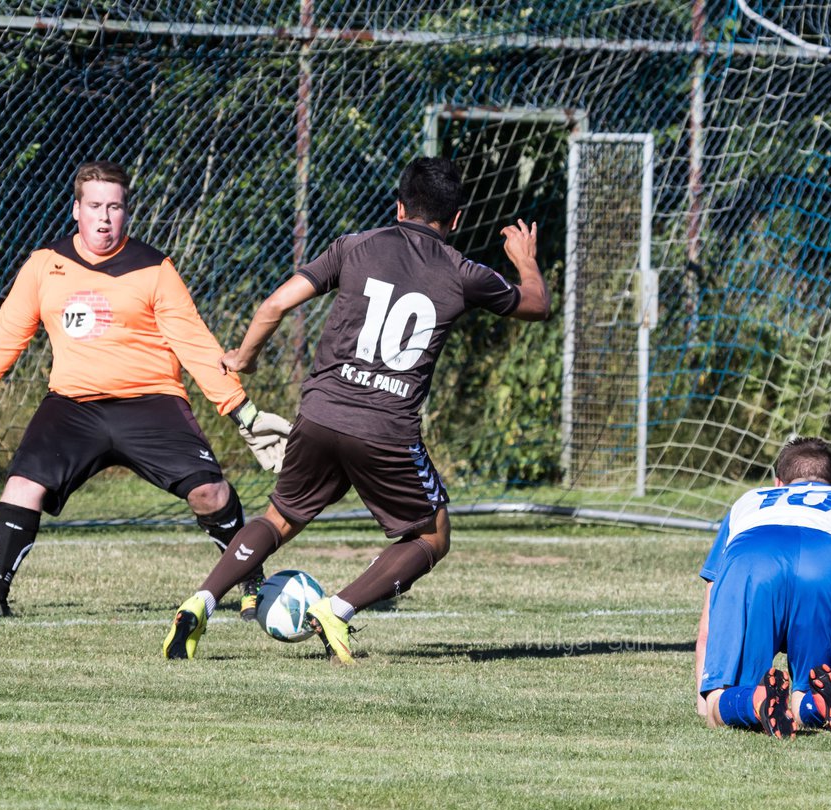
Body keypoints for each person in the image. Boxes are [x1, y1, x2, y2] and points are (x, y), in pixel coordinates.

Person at [162, 156, 552, 663]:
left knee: (279, 517)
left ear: (398, 207)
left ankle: (202, 600)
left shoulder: (355, 246)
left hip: (321, 414)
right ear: (456, 220)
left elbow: (276, 305)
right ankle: (338, 609)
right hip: (386, 429)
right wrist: (524, 258)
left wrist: (244, 358)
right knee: (433, 534)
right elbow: (537, 305)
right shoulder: (463, 272)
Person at [0, 160, 290, 621]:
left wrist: (243, 412)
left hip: (152, 403)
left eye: (115, 207)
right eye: (95, 206)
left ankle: (251, 580)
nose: (105, 218)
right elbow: (2, 339)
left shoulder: (154, 269)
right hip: (73, 406)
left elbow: (196, 346)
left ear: (126, 212)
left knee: (210, 493)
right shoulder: (46, 265)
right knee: (23, 486)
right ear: (76, 209)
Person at [694, 437, 831, 738]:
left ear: (779, 482)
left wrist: (708, 705)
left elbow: (708, 625)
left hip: (753, 556)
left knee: (723, 699)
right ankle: (820, 703)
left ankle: (755, 701)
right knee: (809, 689)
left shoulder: (749, 501)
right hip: (826, 559)